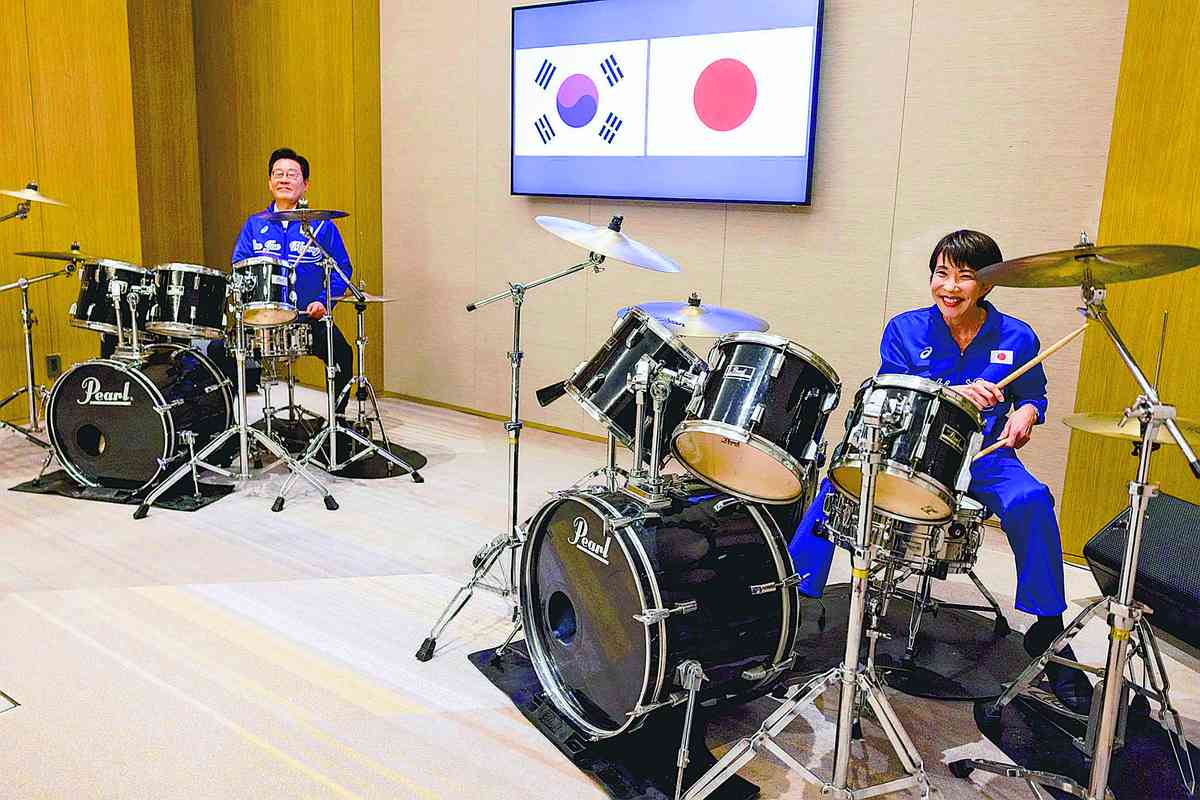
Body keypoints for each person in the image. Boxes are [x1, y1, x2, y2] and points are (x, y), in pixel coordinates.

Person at [790, 229, 1094, 714]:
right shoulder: (905, 329)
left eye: (965, 276)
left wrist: (1025, 414)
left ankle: (1048, 631)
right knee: (838, 486)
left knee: (1031, 500)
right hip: (911, 451)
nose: (949, 287)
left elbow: (1033, 395)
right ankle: (794, 606)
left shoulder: (1017, 336)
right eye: (941, 273)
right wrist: (953, 392)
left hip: (985, 456)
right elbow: (891, 391)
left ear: (988, 284)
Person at [230, 147, 354, 414]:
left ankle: (337, 420)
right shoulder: (254, 225)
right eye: (278, 174)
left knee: (343, 354)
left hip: (307, 317)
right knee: (221, 352)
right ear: (269, 182)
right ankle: (230, 424)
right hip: (262, 320)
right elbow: (238, 266)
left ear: (305, 184)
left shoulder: (321, 226)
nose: (284, 179)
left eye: (292, 174)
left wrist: (323, 303)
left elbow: (342, 269)